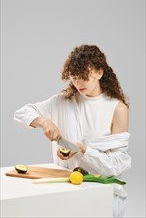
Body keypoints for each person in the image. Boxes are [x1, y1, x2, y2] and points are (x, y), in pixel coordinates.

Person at [14, 44, 131, 218]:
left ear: (99, 73)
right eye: (74, 77)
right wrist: (44, 122)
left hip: (101, 194)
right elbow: (21, 113)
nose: (78, 83)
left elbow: (116, 164)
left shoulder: (117, 108)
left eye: (84, 76)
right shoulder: (63, 101)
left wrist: (84, 150)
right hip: (66, 192)